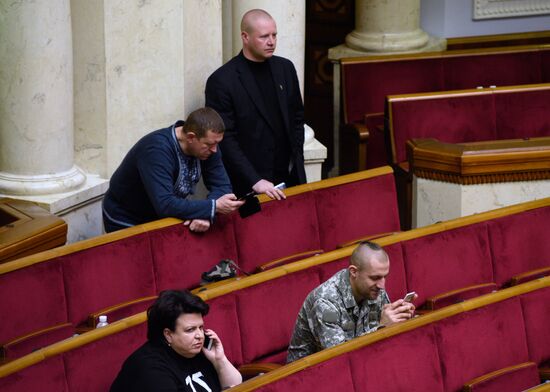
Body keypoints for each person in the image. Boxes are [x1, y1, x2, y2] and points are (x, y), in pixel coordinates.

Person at [205, 9, 306, 200]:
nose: (271, 41)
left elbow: (297, 118)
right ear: (245, 37)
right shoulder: (222, 80)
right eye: (264, 36)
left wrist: (296, 160)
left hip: (290, 177)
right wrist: (254, 179)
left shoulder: (286, 68)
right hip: (247, 185)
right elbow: (225, 138)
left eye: (274, 35)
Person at [103, 107, 244, 233]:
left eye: (217, 143)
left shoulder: (208, 146)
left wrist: (207, 213)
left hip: (160, 215)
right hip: (126, 217)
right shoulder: (156, 151)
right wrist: (212, 207)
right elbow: (165, 204)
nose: (214, 150)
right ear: (191, 137)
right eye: (209, 144)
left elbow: (222, 186)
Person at [286, 241, 417, 363]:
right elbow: (341, 358)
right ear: (354, 272)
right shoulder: (325, 302)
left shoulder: (374, 289)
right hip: (308, 374)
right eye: (375, 278)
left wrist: (401, 318)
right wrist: (381, 327)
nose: (382, 285)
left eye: (385, 277)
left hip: (361, 363)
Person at [110, 289, 242, 391]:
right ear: (168, 334)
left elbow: (236, 386)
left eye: (201, 327)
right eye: (190, 330)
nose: (200, 335)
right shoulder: (150, 369)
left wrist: (219, 360)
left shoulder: (197, 350)